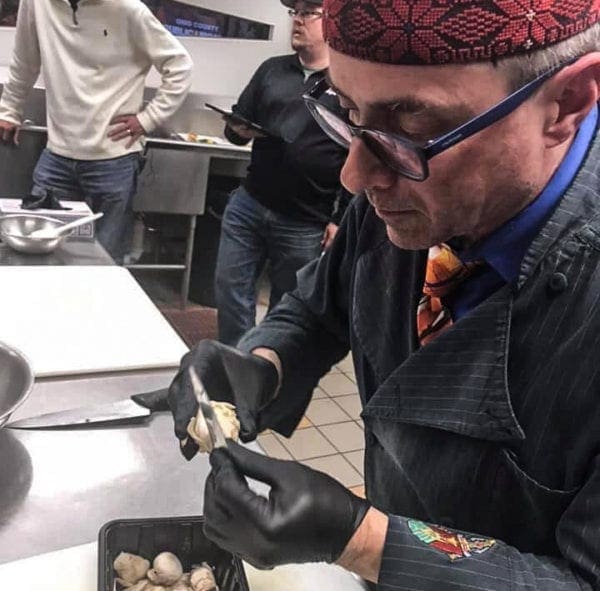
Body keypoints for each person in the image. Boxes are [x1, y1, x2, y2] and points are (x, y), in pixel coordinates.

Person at [169, 0, 600, 588]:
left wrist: (362, 539)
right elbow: (321, 308)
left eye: (414, 126)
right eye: (346, 112)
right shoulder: (397, 180)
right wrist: (263, 363)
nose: (355, 174)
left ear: (568, 103)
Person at [0, 0, 193, 262]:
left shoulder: (127, 8)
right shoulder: (37, 3)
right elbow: (25, 60)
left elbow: (180, 65)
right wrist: (9, 109)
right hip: (57, 155)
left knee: (104, 260)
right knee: (40, 255)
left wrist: (149, 118)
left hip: (114, 158)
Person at [214, 0, 350, 346]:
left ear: (330, 21)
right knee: (230, 291)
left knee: (286, 307)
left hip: (306, 221)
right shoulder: (272, 69)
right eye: (295, 13)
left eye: (307, 13)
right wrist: (237, 130)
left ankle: (266, 373)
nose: (297, 21)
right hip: (249, 203)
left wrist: (340, 219)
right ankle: (235, 366)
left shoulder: (346, 82)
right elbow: (235, 128)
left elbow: (356, 155)